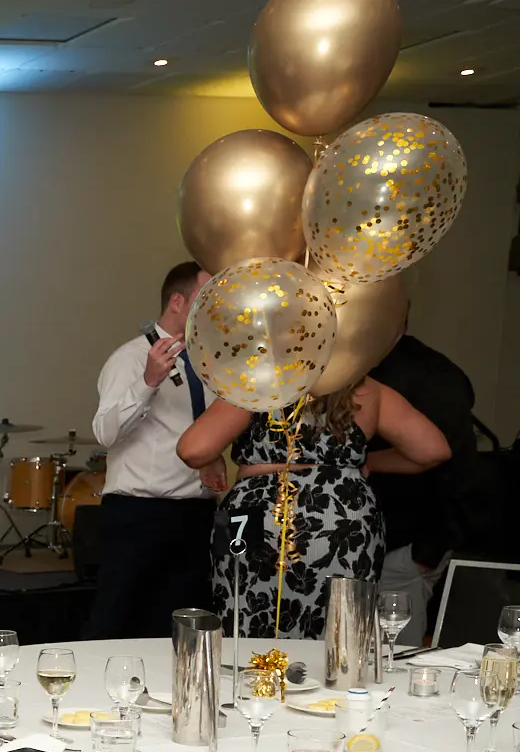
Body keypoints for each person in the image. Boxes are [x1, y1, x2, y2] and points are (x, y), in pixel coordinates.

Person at [181, 380, 450, 639]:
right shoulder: (366, 388)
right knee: (340, 629)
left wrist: (214, 456)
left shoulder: (259, 380)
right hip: (344, 514)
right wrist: (361, 463)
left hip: (255, 511)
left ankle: (253, 681)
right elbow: (433, 450)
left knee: (244, 615)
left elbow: (194, 449)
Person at [86, 262, 225, 640]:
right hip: (139, 516)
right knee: (117, 624)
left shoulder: (210, 361)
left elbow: (198, 427)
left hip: (196, 515)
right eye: (205, 297)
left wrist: (213, 457)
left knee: (181, 632)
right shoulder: (130, 359)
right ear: (178, 302)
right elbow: (105, 433)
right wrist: (148, 382)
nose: (216, 306)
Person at [368, 329, 477, 644]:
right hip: (370, 545)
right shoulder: (355, 368)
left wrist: (425, 553)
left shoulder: (432, 374)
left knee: (394, 657)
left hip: (406, 546)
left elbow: (453, 460)